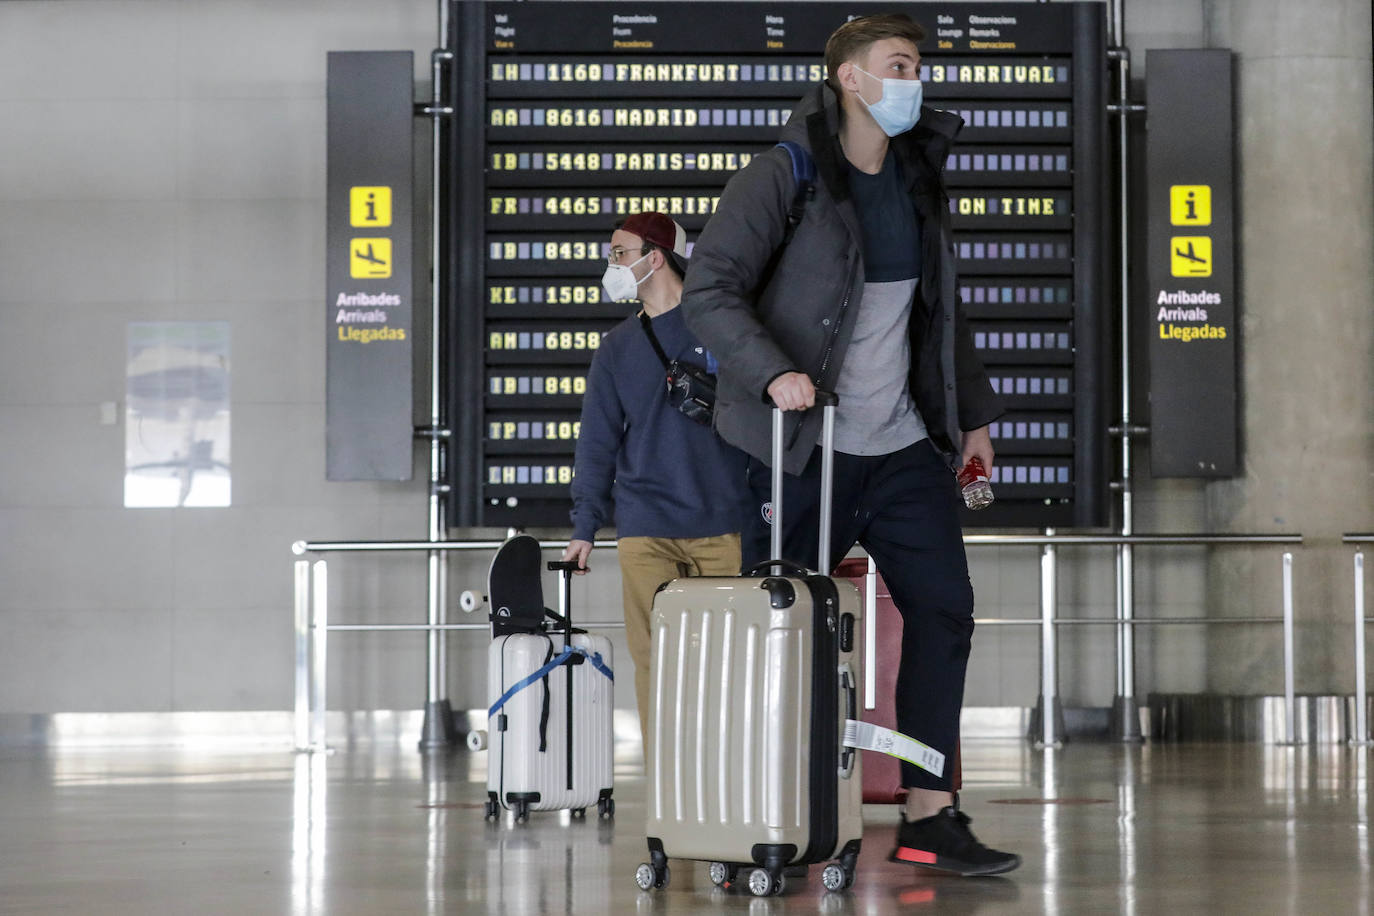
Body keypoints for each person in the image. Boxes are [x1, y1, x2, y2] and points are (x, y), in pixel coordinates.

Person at [681, 14, 1020, 876]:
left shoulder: (915, 182)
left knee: (943, 613)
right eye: (899, 65)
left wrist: (971, 414)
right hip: (803, 446)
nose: (916, 80)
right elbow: (711, 291)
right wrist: (770, 374)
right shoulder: (782, 176)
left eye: (918, 66)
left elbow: (943, 315)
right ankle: (771, 806)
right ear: (850, 79)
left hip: (902, 445)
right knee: (782, 630)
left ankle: (929, 814)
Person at [562, 211, 749, 754]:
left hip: (724, 523)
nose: (611, 265)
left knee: (732, 660)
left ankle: (726, 775)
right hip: (645, 528)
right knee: (655, 661)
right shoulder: (617, 348)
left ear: (655, 257)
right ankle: (671, 786)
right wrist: (585, 525)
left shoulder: (724, 326)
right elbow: (597, 441)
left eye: (619, 253)